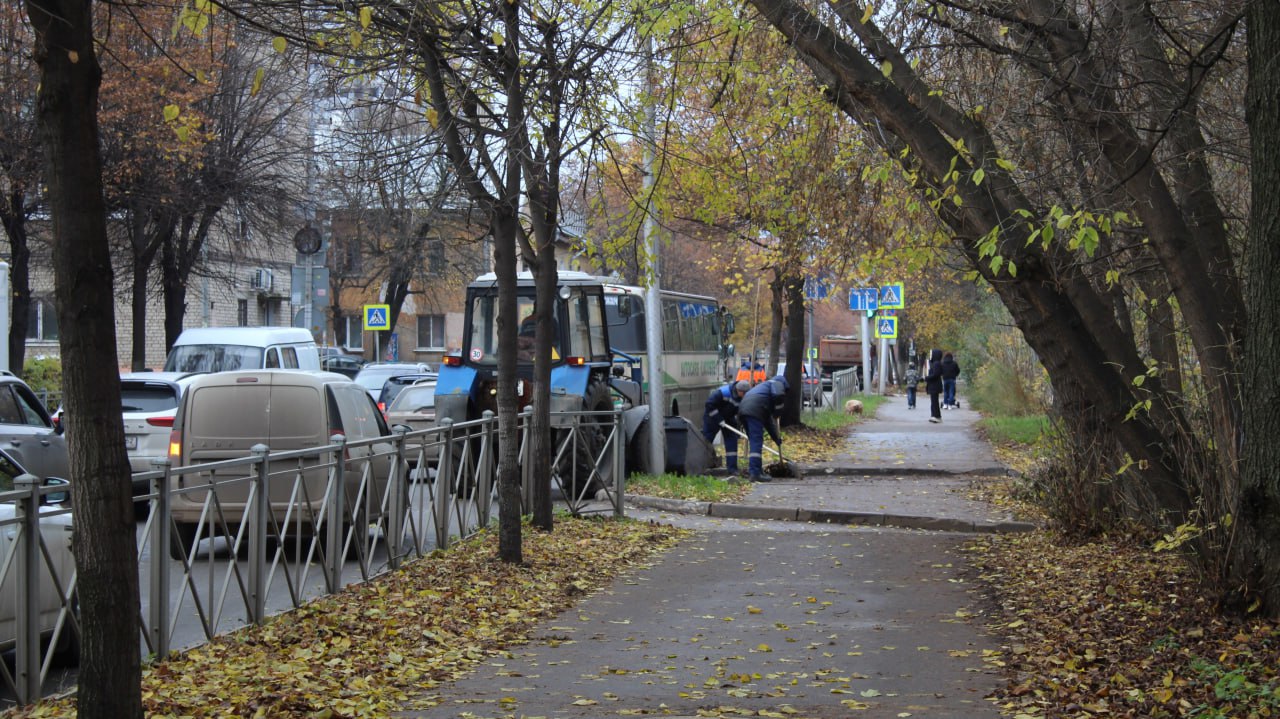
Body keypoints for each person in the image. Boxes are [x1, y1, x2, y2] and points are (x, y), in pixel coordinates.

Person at [738, 374, 788, 482]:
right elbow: (779, 396)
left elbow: (768, 423)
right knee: (756, 442)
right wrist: (778, 411)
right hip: (754, 411)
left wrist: (776, 438)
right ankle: (755, 474)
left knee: (754, 442)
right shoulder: (776, 384)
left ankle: (757, 471)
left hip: (743, 410)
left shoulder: (763, 391)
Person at [702, 380, 751, 474]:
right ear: (739, 390)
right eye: (743, 393)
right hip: (712, 417)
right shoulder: (723, 392)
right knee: (707, 441)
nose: (745, 396)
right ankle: (701, 466)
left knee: (732, 441)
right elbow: (709, 405)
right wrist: (719, 419)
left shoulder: (744, 397)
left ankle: (732, 469)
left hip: (729, 417)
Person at [925, 349, 944, 423]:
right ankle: (935, 415)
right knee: (934, 401)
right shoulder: (935, 363)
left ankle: (936, 416)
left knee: (934, 401)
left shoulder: (936, 364)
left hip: (934, 385)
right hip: (934, 385)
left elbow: (936, 374)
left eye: (931, 354)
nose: (930, 356)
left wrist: (927, 378)